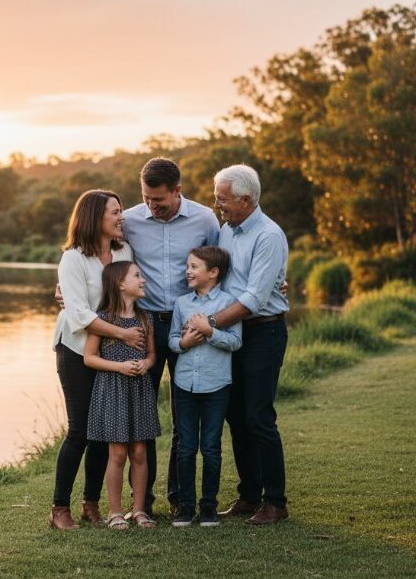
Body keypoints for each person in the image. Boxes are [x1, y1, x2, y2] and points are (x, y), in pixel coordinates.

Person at [121, 157, 220, 516]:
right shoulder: (129, 220)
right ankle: (141, 503)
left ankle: (181, 499)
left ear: (177, 190)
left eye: (158, 199)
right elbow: (97, 248)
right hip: (143, 325)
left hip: (188, 325)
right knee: (141, 415)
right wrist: (66, 284)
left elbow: (221, 266)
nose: (151, 205)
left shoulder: (205, 220)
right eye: (146, 198)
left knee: (185, 413)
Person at [201, 164, 290, 525]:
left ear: (246, 199)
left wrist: (207, 324)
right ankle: (249, 496)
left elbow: (253, 297)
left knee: (258, 417)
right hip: (235, 334)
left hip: (263, 333)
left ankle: (276, 503)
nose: (217, 204)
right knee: (236, 417)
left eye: (223, 199)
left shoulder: (269, 235)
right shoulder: (226, 230)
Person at [49, 189, 141, 530]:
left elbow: (127, 293)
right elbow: (80, 313)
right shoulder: (72, 259)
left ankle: (91, 503)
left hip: (109, 352)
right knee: (80, 431)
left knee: (103, 430)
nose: (121, 217)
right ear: (94, 218)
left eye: (120, 211)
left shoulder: (123, 250)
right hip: (74, 349)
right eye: (114, 212)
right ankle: (59, 508)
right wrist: (122, 334)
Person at [167, 246, 241, 527]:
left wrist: (210, 332)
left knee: (210, 447)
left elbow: (236, 342)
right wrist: (183, 343)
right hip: (185, 384)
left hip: (216, 385)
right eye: (188, 266)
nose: (188, 271)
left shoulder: (228, 303)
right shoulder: (182, 304)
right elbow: (173, 340)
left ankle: (208, 507)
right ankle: (185, 507)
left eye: (194, 266)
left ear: (213, 272)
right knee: (186, 447)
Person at [84, 261, 159, 530]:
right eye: (137, 275)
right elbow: (89, 358)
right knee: (117, 453)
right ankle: (114, 512)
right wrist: (120, 367)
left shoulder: (145, 318)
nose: (143, 280)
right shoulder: (102, 319)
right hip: (112, 389)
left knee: (139, 452)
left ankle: (139, 511)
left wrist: (147, 365)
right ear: (120, 283)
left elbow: (152, 355)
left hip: (139, 389)